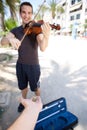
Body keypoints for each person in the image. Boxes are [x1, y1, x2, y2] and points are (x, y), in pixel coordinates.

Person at [1, 2, 51, 112]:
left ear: (32, 14)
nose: (26, 15)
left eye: (29, 13)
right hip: (20, 65)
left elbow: (42, 47)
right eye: (24, 12)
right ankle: (23, 102)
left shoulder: (36, 29)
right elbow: (2, 41)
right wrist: (10, 39)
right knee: (23, 87)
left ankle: (39, 102)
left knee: (36, 88)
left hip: (33, 66)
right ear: (20, 14)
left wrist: (46, 37)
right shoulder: (15, 30)